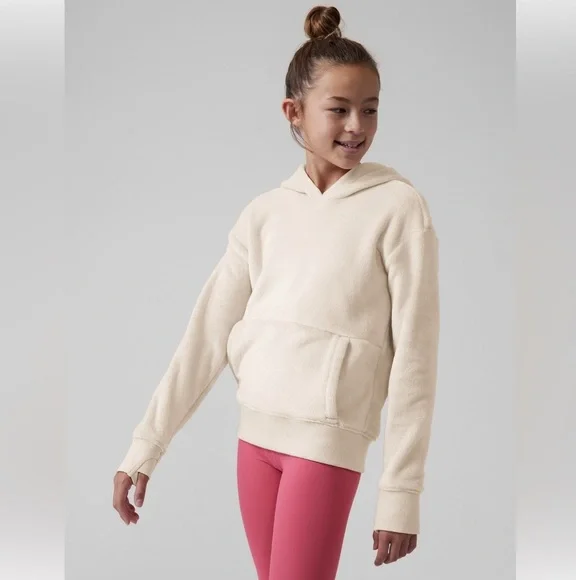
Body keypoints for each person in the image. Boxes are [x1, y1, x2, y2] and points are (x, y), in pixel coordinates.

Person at [112, 5, 440, 578]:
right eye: (339, 109)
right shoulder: (263, 214)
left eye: (370, 109)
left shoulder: (397, 207)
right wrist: (146, 446)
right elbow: (206, 334)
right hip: (255, 442)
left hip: (326, 442)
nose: (357, 126)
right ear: (294, 112)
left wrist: (401, 493)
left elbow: (416, 355)